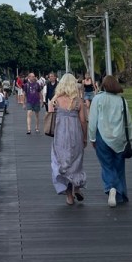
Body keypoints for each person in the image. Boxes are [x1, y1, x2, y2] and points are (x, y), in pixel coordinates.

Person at [88, 75, 132, 207]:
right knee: (119, 166)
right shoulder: (122, 101)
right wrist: (130, 138)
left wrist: (92, 137)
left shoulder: (98, 99)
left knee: (107, 165)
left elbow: (93, 120)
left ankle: (111, 187)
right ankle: (121, 193)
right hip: (120, 138)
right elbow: (128, 122)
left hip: (102, 137)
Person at [50, 73, 86, 205]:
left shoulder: (56, 100)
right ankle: (77, 187)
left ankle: (69, 196)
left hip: (60, 135)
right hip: (75, 132)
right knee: (76, 161)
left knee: (62, 162)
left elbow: (49, 113)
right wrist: (85, 137)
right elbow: (83, 121)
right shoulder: (78, 101)